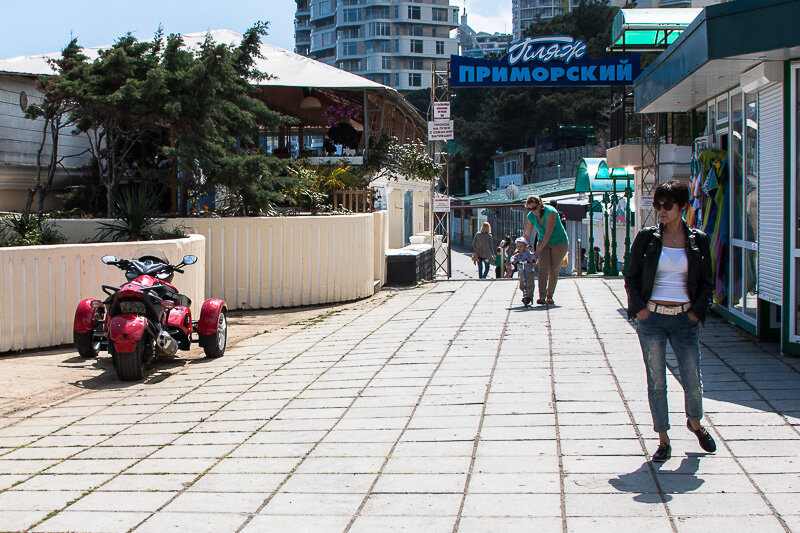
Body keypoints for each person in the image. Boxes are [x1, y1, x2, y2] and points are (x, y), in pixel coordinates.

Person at [624, 179, 716, 463]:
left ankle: (695, 422)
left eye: (668, 206)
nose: (661, 211)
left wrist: (695, 312)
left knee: (692, 379)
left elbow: (706, 283)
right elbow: (632, 276)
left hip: (684, 319)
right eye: (657, 205)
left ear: (683, 207)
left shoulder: (698, 240)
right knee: (656, 381)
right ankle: (663, 438)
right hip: (652, 319)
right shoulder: (647, 238)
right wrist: (639, 309)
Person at [523, 195, 569, 305]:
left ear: (540, 205)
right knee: (543, 268)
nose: (532, 211)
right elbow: (527, 233)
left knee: (553, 269)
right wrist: (521, 245)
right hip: (543, 242)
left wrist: (538, 251)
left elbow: (548, 234)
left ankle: (550, 296)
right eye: (529, 209)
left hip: (559, 242)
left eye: (534, 208)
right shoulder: (531, 216)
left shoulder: (550, 212)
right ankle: (542, 296)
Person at [510, 237, 536, 306]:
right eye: (518, 246)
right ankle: (526, 294)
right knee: (522, 285)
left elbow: (533, 256)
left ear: (525, 246)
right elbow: (513, 258)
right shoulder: (517, 255)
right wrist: (514, 261)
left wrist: (531, 260)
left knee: (529, 284)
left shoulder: (528, 253)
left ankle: (529, 296)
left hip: (529, 271)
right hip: (521, 272)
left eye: (521, 246)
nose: (519, 247)